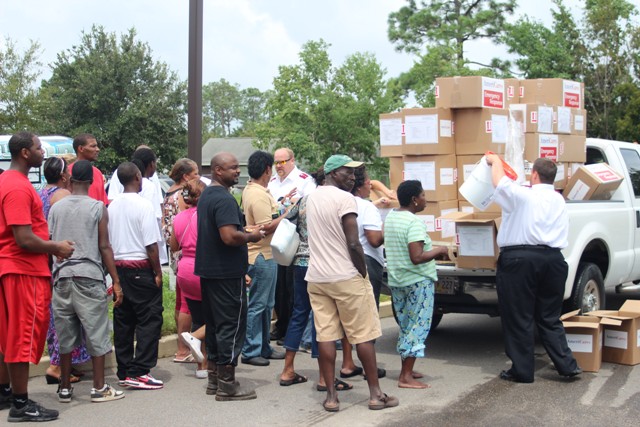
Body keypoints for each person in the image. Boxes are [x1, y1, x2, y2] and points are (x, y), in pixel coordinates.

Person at [305, 154, 398, 412]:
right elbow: (354, 242)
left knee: (325, 335)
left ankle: (332, 397)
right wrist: (363, 273)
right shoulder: (346, 199)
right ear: (333, 173)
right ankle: (375, 394)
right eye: (348, 172)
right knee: (363, 335)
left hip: (317, 277)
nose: (353, 177)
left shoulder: (313, 196)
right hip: (345, 275)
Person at [485, 154, 581, 383]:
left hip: (520, 260)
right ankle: (567, 365)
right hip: (554, 260)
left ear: (534, 174)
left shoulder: (524, 195)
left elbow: (499, 183)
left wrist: (495, 161)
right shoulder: (559, 200)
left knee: (519, 316)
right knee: (549, 316)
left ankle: (522, 370)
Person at [0, 131, 74, 422]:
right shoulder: (17, 187)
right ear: (25, 154)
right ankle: (20, 404)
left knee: (7, 337)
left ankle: (5, 392)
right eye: (38, 147)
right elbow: (23, 238)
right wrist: (57, 246)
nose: (43, 151)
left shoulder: (6, 180)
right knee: (22, 336)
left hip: (11, 268)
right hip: (23, 269)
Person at [48, 160, 125, 403]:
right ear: (92, 182)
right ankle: (99, 388)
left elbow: (50, 243)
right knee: (97, 332)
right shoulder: (97, 207)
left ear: (69, 180)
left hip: (61, 278)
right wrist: (116, 281)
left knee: (65, 335)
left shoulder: (56, 208)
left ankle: (64, 389)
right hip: (89, 277)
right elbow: (104, 246)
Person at [279, 168, 357, 392]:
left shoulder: (304, 201)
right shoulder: (333, 200)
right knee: (323, 319)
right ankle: (325, 377)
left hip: (299, 263)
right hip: (322, 264)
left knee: (299, 313)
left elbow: (285, 220)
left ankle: (288, 369)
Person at [194, 152, 264, 401]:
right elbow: (228, 236)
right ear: (217, 171)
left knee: (214, 325)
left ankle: (214, 379)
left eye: (237, 167)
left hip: (210, 271)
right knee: (231, 326)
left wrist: (240, 230)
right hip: (226, 273)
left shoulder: (207, 196)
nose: (237, 171)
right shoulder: (223, 198)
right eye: (232, 168)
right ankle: (227, 384)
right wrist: (251, 236)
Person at [384, 180, 449, 389]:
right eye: (422, 195)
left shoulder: (392, 217)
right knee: (417, 327)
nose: (425, 200)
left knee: (406, 325)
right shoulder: (414, 222)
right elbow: (417, 257)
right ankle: (405, 377)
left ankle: (408, 369)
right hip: (417, 282)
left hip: (398, 281)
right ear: (414, 200)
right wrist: (439, 250)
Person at [109, 161, 164, 390]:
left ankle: (124, 370)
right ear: (138, 177)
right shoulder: (143, 206)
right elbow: (151, 245)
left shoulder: (110, 207)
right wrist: (158, 272)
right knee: (150, 319)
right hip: (140, 267)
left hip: (118, 267)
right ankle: (140, 370)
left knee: (124, 320)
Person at [37, 158, 90, 385]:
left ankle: (61, 364)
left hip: (44, 259)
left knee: (55, 314)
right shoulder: (62, 196)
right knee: (67, 316)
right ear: (64, 176)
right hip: (61, 259)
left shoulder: (40, 194)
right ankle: (57, 366)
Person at [241, 151, 286, 366]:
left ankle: (263, 346)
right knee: (258, 304)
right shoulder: (257, 194)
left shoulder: (256, 190)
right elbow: (264, 227)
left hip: (266, 254)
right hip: (260, 254)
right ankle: (251, 350)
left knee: (267, 304)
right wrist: (289, 214)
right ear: (267, 169)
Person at [268, 148, 316, 342]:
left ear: (292, 160)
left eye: (282, 162)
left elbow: (308, 206)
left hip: (293, 237)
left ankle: (291, 329)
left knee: (291, 286)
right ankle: (281, 325)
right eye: (276, 162)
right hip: (274, 237)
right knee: (278, 286)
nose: (279, 166)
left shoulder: (304, 180)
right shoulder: (271, 182)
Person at [163, 158, 201, 363]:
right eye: (195, 173)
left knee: (181, 301)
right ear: (186, 176)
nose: (197, 177)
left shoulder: (168, 193)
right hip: (186, 252)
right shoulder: (182, 196)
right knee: (186, 303)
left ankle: (183, 346)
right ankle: (183, 348)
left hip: (174, 251)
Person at [169, 178, 208, 378]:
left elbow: (174, 246)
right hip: (204, 268)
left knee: (198, 317)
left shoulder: (180, 217)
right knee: (217, 317)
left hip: (184, 271)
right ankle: (197, 345)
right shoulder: (207, 216)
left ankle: (202, 365)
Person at [68, 133, 108, 205]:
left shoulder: (97, 173)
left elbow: (103, 204)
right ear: (81, 149)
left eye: (97, 146)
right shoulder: (67, 173)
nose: (97, 149)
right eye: (93, 146)